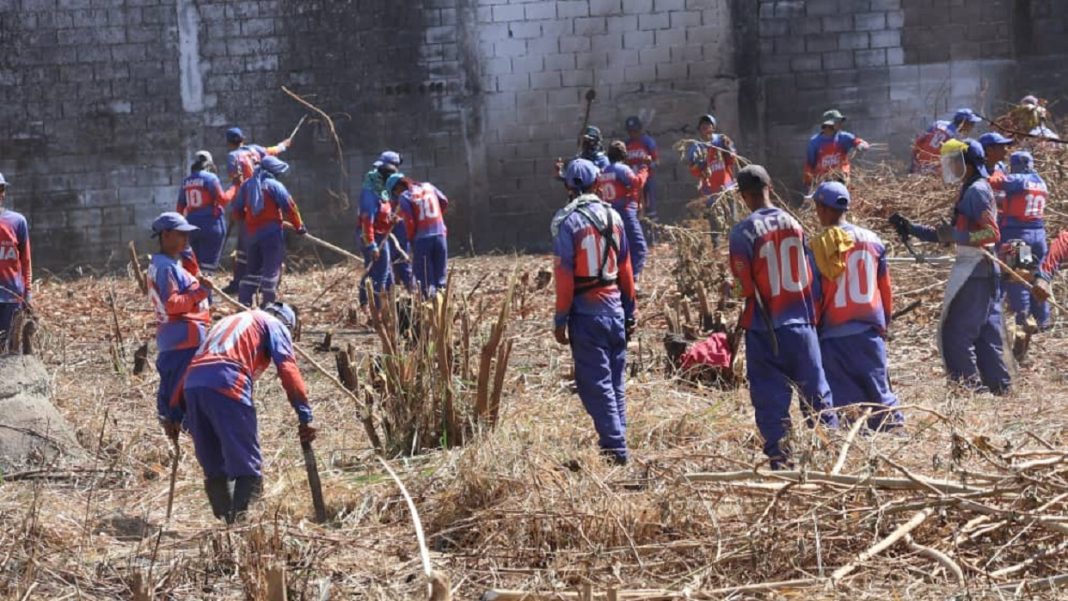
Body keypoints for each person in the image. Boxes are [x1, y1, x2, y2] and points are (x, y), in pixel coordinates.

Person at [728, 164, 837, 468]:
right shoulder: (795, 223)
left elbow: (743, 288)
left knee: (771, 399)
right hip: (802, 323)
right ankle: (832, 456)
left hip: (767, 331)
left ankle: (781, 460)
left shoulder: (742, 233)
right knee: (817, 395)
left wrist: (733, 284)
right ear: (770, 187)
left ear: (743, 196)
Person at [166, 303, 315, 524]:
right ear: (288, 324)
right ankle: (244, 526)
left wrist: (174, 412)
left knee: (213, 464)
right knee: (247, 464)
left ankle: (227, 523)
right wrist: (305, 414)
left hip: (193, 386)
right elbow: (287, 368)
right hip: (228, 382)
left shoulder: (227, 322)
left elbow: (195, 364)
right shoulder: (274, 324)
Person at [889, 139, 1011, 394]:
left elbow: (991, 233)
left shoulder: (976, 190)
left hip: (976, 268)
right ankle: (1000, 388)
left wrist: (957, 237)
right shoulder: (972, 187)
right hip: (983, 270)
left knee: (955, 332)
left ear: (966, 162)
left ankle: (969, 391)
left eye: (954, 161)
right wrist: (913, 229)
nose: (951, 166)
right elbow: (950, 234)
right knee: (986, 333)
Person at [551, 158, 637, 465]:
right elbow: (626, 269)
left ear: (568, 187)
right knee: (615, 383)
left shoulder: (567, 221)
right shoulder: (613, 216)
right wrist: (630, 311)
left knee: (595, 385)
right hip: (615, 308)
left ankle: (616, 450)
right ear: (596, 183)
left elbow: (563, 277)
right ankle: (616, 442)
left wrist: (560, 319)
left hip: (587, 315)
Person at [809, 182, 902, 430]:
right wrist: (885, 322)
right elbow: (885, 288)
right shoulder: (873, 240)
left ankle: (855, 442)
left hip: (834, 334)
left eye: (817, 206)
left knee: (843, 399)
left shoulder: (819, 246)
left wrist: (814, 330)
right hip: (870, 330)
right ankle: (896, 434)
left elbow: (814, 296)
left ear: (824, 209)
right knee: (879, 390)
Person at [148, 212, 213, 432]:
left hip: (177, 339)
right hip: (183, 340)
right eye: (180, 235)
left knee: (173, 390)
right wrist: (201, 292)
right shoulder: (166, 268)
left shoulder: (166, 264)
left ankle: (175, 431)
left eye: (188, 235)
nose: (186, 240)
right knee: (179, 393)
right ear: (165, 235)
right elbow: (173, 304)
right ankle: (180, 434)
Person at [222, 127, 291, 295]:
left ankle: (241, 282)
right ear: (243, 139)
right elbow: (273, 151)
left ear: (228, 142)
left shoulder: (233, 156)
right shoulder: (256, 149)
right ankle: (261, 281)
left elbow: (237, 182)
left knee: (244, 247)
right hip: (265, 200)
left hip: (247, 203)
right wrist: (284, 144)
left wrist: (236, 207)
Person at [231, 157, 306, 307]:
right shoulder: (274, 185)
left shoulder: (247, 186)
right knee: (271, 271)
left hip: (251, 236)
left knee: (252, 271)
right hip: (271, 235)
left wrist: (247, 222)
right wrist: (299, 226)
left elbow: (236, 210)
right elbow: (290, 207)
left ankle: (244, 304)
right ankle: (268, 306)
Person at [998, 151, 1050, 339]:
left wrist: (997, 172)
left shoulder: (1017, 179)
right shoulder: (1041, 182)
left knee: (1018, 281)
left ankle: (1023, 320)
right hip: (1039, 235)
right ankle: (1043, 322)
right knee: (1039, 280)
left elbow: (994, 182)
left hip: (1017, 235)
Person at [388, 173, 450, 297]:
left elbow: (410, 221)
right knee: (440, 279)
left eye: (394, 193)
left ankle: (430, 310)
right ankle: (442, 309)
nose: (396, 196)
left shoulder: (405, 196)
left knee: (426, 281)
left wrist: (411, 239)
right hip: (440, 235)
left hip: (422, 240)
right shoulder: (429, 187)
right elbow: (444, 201)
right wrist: (436, 218)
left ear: (398, 188)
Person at [177, 151, 236, 275]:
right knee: (207, 269)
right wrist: (234, 188)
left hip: (191, 226)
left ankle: (196, 293)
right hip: (211, 226)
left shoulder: (186, 181)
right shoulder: (210, 178)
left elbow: (180, 207)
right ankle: (205, 293)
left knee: (195, 267)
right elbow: (223, 200)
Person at [685, 114, 738, 246]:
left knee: (732, 215)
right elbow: (693, 169)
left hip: (726, 184)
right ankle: (716, 245)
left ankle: (736, 242)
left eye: (708, 124)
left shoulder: (721, 140)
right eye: (703, 125)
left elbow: (732, 159)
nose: (706, 127)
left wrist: (728, 149)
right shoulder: (696, 147)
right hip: (710, 188)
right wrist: (699, 165)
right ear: (699, 128)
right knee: (714, 218)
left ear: (713, 127)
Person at [600, 141, 649, 278]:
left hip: (609, 215)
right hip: (625, 213)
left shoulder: (603, 171)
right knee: (639, 247)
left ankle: (619, 279)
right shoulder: (622, 169)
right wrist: (644, 167)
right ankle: (633, 279)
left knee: (618, 249)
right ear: (624, 155)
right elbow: (637, 183)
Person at [358, 152, 400, 310]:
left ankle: (368, 302)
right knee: (380, 276)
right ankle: (378, 312)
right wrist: (372, 246)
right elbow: (366, 223)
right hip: (371, 236)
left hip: (381, 234)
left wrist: (391, 219)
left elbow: (384, 213)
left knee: (384, 273)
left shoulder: (383, 191)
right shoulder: (370, 195)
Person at [0, 173, 31, 350]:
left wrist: (27, 294)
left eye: (1, 189)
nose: (0, 193)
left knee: (9, 349)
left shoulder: (17, 222)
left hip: (11, 297)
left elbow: (25, 261)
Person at [803, 109, 870, 188]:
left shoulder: (844, 137)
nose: (840, 124)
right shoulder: (815, 142)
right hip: (823, 180)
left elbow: (858, 142)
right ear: (829, 124)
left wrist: (861, 145)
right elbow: (810, 163)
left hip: (841, 177)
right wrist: (808, 177)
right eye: (837, 122)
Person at [910, 108, 981, 174]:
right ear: (964, 123)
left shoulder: (938, 124)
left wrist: (914, 163)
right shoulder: (956, 138)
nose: (972, 126)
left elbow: (919, 140)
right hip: (933, 172)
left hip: (918, 166)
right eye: (971, 123)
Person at [623, 116, 659, 223]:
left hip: (647, 180)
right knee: (635, 209)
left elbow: (657, 162)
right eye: (630, 131)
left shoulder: (647, 142)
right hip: (633, 182)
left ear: (640, 129)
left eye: (635, 130)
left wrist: (647, 164)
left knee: (650, 208)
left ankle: (653, 235)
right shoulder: (627, 144)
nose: (633, 134)